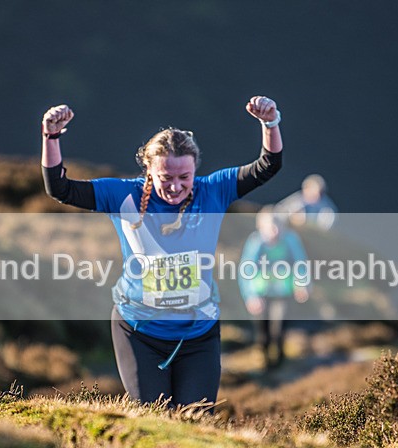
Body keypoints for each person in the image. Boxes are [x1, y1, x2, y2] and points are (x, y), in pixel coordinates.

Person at [41, 96, 283, 406]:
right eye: (165, 178)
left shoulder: (214, 190)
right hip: (139, 332)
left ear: (195, 170)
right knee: (156, 417)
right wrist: (51, 136)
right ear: (149, 172)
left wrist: (270, 123)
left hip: (198, 335)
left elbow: (268, 165)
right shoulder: (122, 195)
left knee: (195, 422)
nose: (175, 187)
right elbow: (60, 189)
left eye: (185, 177)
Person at [239, 206, 309, 370]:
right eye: (270, 227)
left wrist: (301, 284)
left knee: (279, 327)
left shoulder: (290, 239)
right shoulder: (255, 242)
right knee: (263, 331)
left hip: (282, 292)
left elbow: (300, 263)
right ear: (260, 227)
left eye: (278, 226)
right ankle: (262, 357)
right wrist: (250, 296)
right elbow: (246, 269)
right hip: (260, 292)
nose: (274, 231)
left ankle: (279, 361)